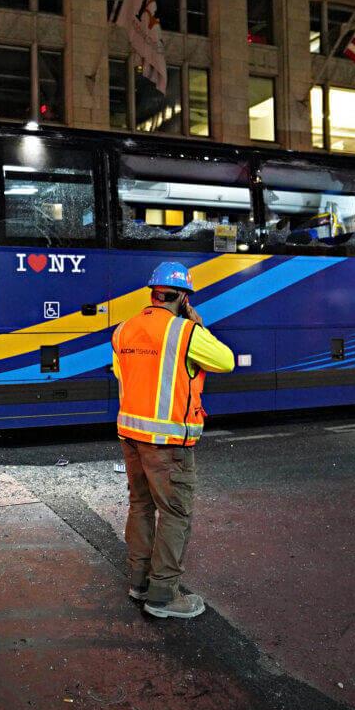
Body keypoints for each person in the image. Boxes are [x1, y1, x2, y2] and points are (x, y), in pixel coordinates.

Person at [111, 261, 234, 619]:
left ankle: (138, 581)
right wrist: (197, 326)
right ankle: (163, 595)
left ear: (153, 292)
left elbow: (126, 374)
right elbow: (225, 361)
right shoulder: (185, 332)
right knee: (175, 513)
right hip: (167, 442)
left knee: (141, 506)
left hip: (130, 436)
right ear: (181, 296)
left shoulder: (123, 331)